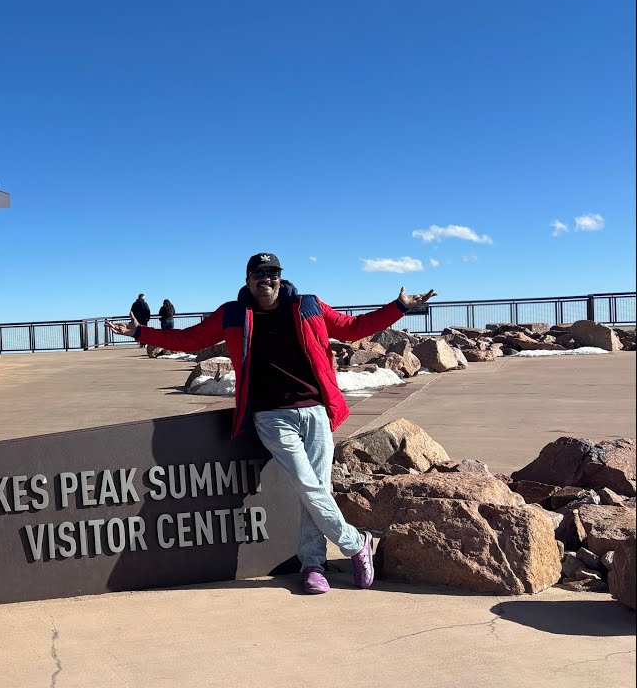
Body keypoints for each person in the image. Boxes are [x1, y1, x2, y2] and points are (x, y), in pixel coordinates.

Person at [107, 253, 436, 595]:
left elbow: (354, 330)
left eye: (273, 272)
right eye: (260, 273)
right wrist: (141, 333)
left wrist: (398, 306)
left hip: (316, 411)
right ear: (248, 279)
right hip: (271, 415)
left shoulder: (308, 306)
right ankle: (355, 543)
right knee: (307, 486)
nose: (267, 278)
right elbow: (190, 339)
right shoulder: (233, 314)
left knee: (317, 490)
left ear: (280, 277)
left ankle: (312, 564)